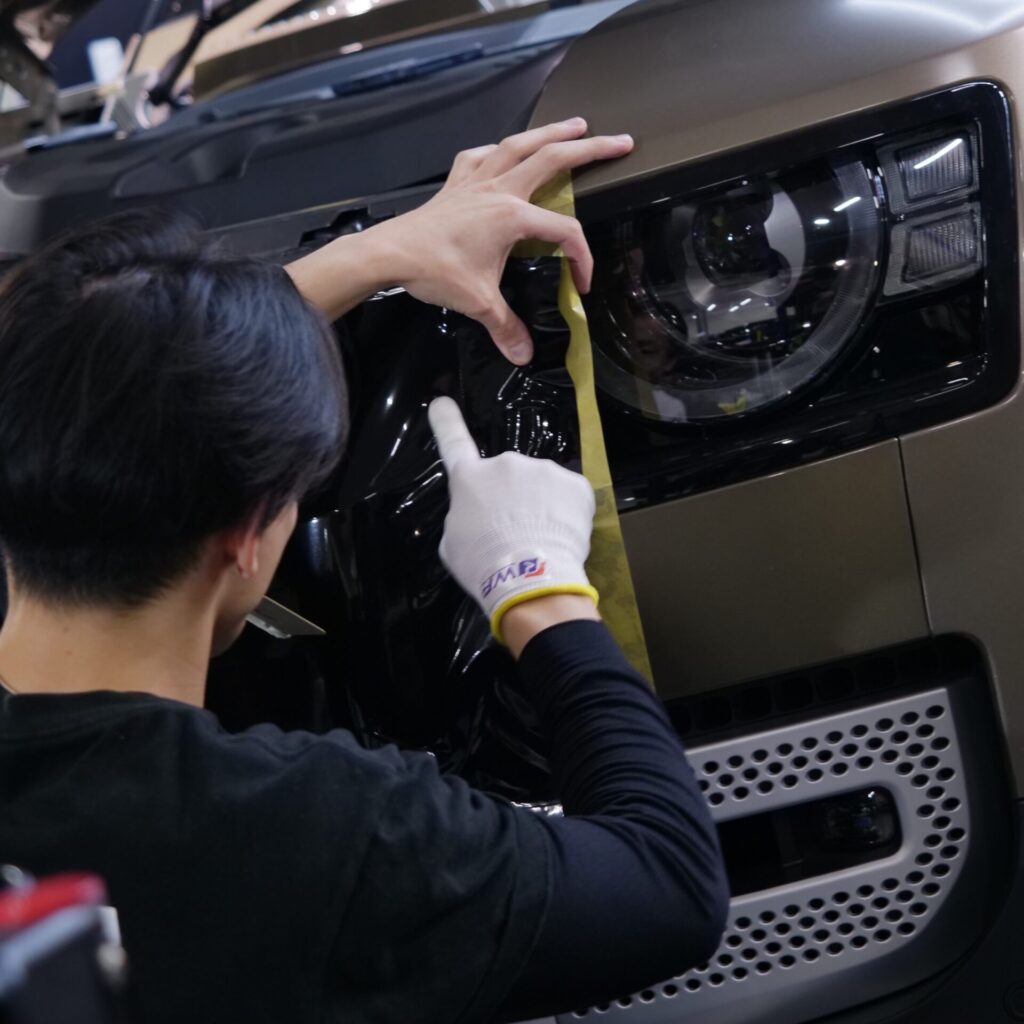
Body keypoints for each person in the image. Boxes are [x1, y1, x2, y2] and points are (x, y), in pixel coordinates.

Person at [0, 120, 728, 1023]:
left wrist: (375, 255)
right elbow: (668, 885)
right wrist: (537, 586)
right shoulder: (312, 832)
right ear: (247, 535)